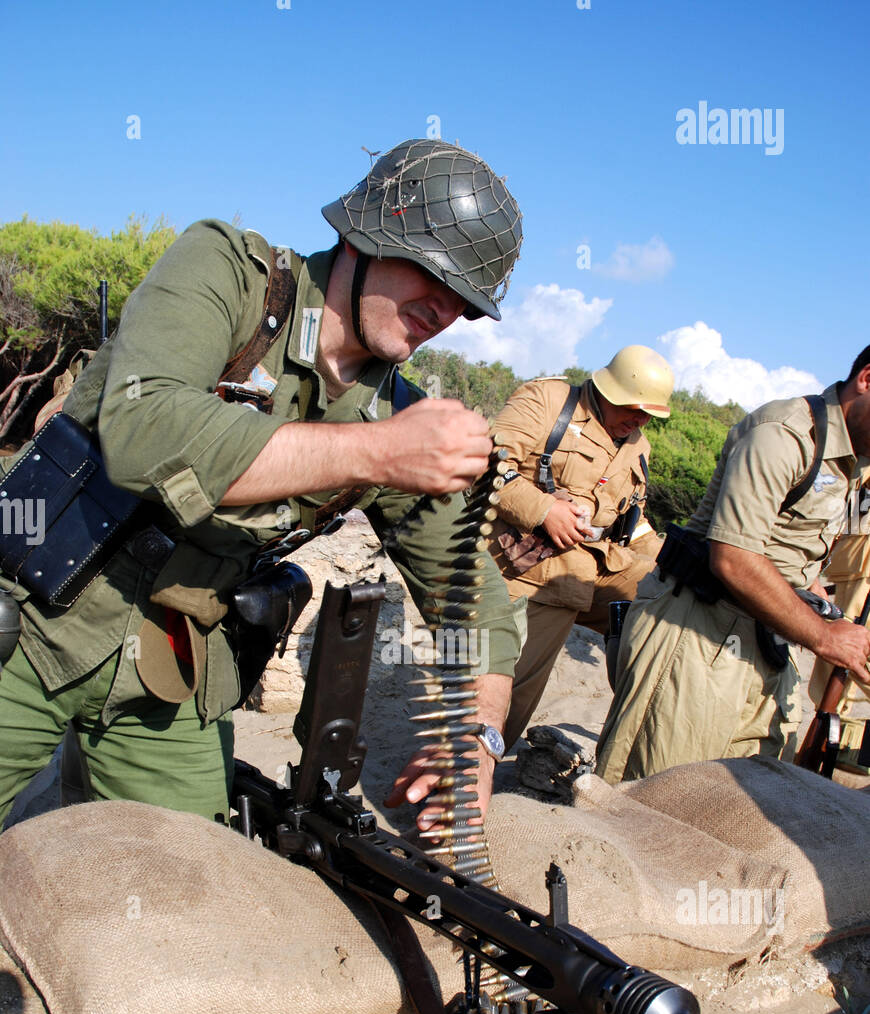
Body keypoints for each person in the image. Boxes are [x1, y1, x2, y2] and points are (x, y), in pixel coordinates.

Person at [0, 139, 523, 829]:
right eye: (432, 272)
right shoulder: (228, 273)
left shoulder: (395, 415)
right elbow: (143, 428)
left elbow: (471, 595)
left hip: (165, 677)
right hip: (28, 627)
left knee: (188, 899)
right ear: (367, 235)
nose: (446, 309)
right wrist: (376, 453)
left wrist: (479, 734)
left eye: (467, 301)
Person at [596, 347, 870, 783]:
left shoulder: (856, 462)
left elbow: (797, 547)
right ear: (867, 380)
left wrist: (815, 596)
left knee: (733, 803)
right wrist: (824, 636)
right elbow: (734, 559)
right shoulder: (784, 433)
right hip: (698, 635)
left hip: (769, 642)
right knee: (655, 799)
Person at [486, 346, 674, 750]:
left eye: (649, 415)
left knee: (672, 608)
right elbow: (484, 465)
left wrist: (671, 562)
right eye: (634, 409)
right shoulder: (548, 401)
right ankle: (467, 775)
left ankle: (632, 747)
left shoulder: (637, 446)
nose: (640, 420)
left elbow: (633, 521)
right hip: (529, 568)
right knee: (508, 693)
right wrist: (544, 509)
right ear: (609, 390)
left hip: (597, 564)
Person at [806, 471, 870, 774]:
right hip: (856, 569)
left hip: (856, 566)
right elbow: (850, 513)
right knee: (845, 654)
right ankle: (834, 737)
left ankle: (850, 740)